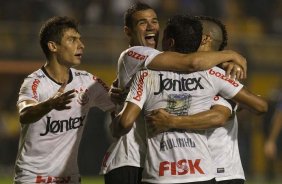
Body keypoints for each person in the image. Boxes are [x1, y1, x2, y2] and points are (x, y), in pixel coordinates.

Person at [100, 2, 248, 184]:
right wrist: (230, 56)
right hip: (129, 158)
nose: (151, 26)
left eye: (154, 21)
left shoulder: (157, 63)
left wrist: (222, 67)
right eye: (142, 23)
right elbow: (191, 62)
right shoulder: (134, 54)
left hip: (148, 160)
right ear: (128, 31)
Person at [146, 15, 268, 184]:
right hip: (194, 170)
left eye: (196, 29)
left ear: (205, 38)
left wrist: (172, 121)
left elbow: (222, 115)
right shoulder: (188, 69)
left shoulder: (220, 74)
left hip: (223, 172)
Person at [13, 16, 115, 184]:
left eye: (80, 39)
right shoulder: (35, 83)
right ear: (53, 46)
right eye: (72, 39)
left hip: (70, 178)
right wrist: (50, 104)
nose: (81, 45)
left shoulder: (88, 82)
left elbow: (118, 106)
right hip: (33, 178)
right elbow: (25, 114)